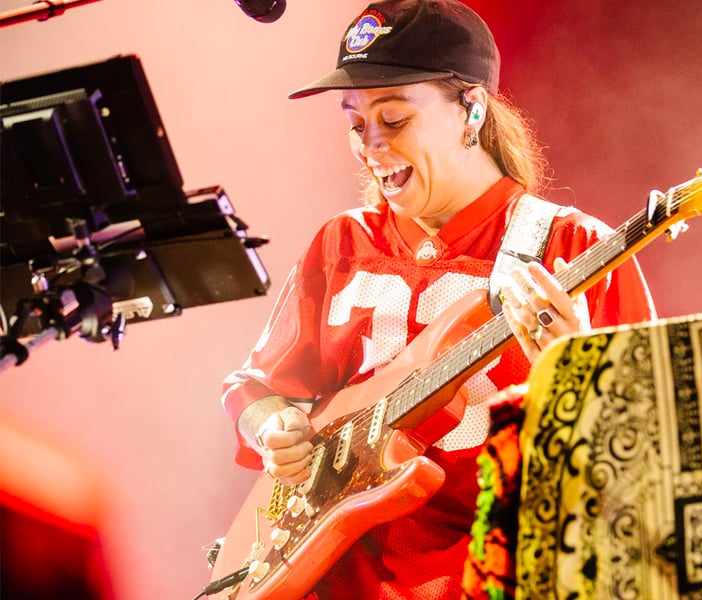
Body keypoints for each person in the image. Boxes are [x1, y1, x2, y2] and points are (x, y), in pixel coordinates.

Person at [220, 0, 656, 598]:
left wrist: (577, 367)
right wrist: (273, 426)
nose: (369, 146)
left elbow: (648, 453)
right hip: (336, 579)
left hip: (499, 579)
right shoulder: (342, 242)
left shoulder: (571, 246)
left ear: (471, 110)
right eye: (354, 123)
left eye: (393, 120)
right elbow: (256, 387)